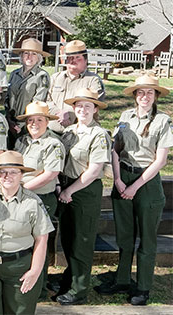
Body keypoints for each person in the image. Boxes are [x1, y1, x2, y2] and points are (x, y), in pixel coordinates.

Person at [95, 75, 173, 305]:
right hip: (123, 177)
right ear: (134, 95)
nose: (145, 96)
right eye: (140, 92)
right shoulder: (125, 117)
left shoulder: (162, 120)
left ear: (156, 95)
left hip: (146, 181)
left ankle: (143, 287)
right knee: (125, 236)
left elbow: (160, 161)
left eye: (150, 92)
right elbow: (115, 150)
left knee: (147, 239)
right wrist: (118, 180)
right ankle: (122, 280)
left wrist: (135, 186)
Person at [0, 151, 54, 314]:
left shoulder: (32, 202)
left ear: (21, 174)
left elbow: (42, 238)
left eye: (13, 172)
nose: (7, 176)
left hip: (19, 268)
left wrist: (35, 271)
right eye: (3, 172)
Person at [55, 88, 111, 305]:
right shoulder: (69, 132)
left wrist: (70, 191)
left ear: (95, 109)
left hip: (84, 190)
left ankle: (79, 290)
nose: (83, 109)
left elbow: (94, 170)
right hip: (66, 187)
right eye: (79, 105)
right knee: (68, 238)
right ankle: (69, 279)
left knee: (82, 240)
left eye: (88, 105)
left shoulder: (99, 134)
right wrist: (62, 187)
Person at [13, 101, 65, 300]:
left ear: (47, 122)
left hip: (41, 199)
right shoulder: (22, 142)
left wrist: (22, 189)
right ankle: (24, 282)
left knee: (39, 244)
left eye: (39, 120)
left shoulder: (53, 143)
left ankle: (40, 287)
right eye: (31, 120)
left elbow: (51, 173)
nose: (34, 123)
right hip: (21, 197)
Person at [47, 40, 105, 134]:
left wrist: (69, 114)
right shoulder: (55, 78)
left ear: (86, 60)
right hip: (52, 131)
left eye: (77, 57)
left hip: (82, 133)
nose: (72, 60)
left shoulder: (93, 81)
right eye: (69, 57)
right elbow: (46, 100)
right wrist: (59, 113)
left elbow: (92, 104)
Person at [5, 38, 51, 144]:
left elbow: (38, 104)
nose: (29, 57)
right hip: (10, 123)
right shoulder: (14, 74)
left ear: (39, 57)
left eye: (33, 54)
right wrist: (9, 121)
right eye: (26, 53)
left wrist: (24, 124)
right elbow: (7, 99)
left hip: (28, 125)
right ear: (21, 55)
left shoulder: (42, 76)